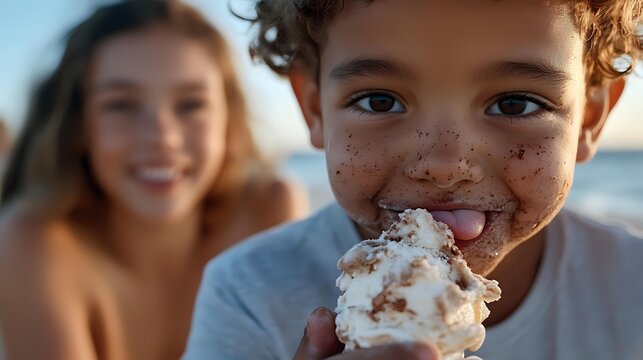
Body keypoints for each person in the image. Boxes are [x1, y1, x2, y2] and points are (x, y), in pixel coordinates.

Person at [182, 0, 643, 359]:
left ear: (590, 118)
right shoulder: (247, 293)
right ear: (315, 107)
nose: (444, 164)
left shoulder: (632, 289)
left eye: (515, 104)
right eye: (380, 101)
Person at [0, 1, 307, 359]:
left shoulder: (267, 211)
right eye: (121, 104)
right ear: (78, 126)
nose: (163, 137)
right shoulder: (35, 241)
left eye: (190, 104)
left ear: (229, 122)